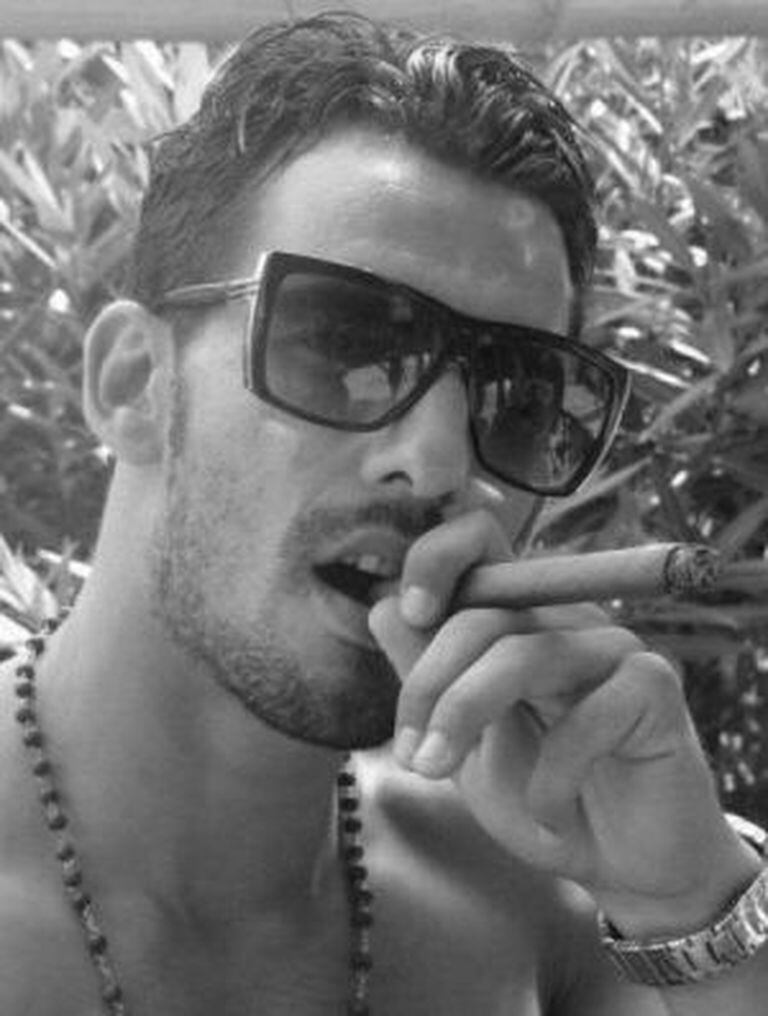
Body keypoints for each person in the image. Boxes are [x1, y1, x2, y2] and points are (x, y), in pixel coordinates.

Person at [0, 12, 766, 1015]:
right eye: (344, 343)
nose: (440, 461)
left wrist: (691, 901)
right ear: (135, 382)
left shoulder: (542, 901)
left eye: (520, 396)